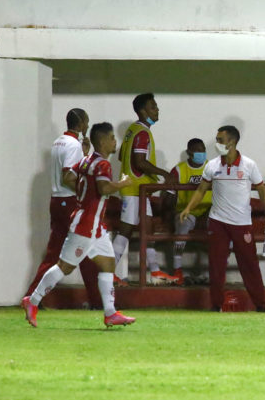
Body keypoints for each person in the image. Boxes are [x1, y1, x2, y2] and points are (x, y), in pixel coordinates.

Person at [22, 123, 137, 328]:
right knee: (64, 267)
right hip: (86, 225)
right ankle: (33, 300)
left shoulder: (86, 161)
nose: (114, 141)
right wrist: (122, 184)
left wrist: (85, 192)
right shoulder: (103, 165)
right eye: (112, 137)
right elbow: (103, 188)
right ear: (102, 141)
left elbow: (67, 177)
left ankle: (110, 313)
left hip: (95, 226)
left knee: (108, 264)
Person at [181, 125, 265, 312]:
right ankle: (216, 304)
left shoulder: (249, 165)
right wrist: (188, 209)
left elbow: (262, 190)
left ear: (232, 142)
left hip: (241, 223)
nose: (217, 144)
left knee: (250, 265)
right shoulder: (212, 165)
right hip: (217, 222)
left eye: (220, 140)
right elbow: (201, 190)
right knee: (216, 265)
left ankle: (261, 304)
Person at [25, 108, 104, 309]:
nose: (87, 126)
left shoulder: (58, 142)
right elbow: (68, 176)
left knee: (53, 254)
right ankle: (97, 300)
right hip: (69, 201)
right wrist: (85, 191)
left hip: (56, 202)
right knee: (87, 252)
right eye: (86, 122)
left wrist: (85, 154)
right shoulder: (72, 144)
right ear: (81, 123)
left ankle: (32, 297)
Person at [113, 93, 178, 286]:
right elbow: (139, 162)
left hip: (140, 190)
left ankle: (156, 271)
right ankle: (109, 272)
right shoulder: (142, 133)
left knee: (148, 229)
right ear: (142, 111)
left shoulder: (131, 130)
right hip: (134, 190)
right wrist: (164, 174)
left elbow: (121, 158)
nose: (157, 110)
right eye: (153, 106)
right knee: (125, 231)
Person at [163, 138, 212, 285]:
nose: (201, 153)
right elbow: (169, 197)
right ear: (189, 153)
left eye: (203, 150)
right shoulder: (178, 170)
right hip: (185, 211)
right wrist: (168, 217)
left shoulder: (212, 167)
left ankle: (211, 274)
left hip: (208, 211)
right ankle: (177, 271)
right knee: (182, 225)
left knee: (220, 230)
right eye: (197, 150)